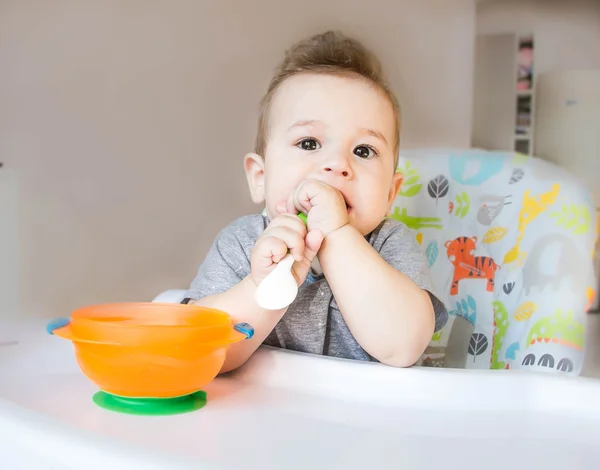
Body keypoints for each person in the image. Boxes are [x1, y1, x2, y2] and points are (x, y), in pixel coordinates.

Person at [183, 31, 448, 372]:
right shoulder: (241, 243)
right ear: (260, 178)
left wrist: (337, 234)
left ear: (390, 195)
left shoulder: (390, 244)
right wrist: (258, 286)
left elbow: (403, 347)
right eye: (309, 143)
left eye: (363, 151)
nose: (338, 163)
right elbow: (203, 352)